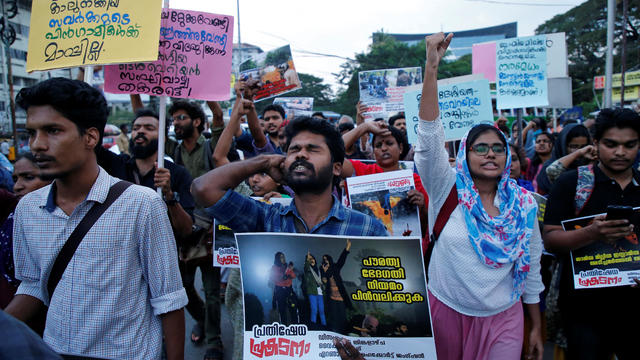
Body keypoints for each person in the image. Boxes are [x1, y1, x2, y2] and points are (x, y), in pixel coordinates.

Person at [5, 78, 187, 359]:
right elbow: (32, 286)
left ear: (90, 137)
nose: (37, 145)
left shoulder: (142, 204)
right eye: (32, 133)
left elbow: (169, 299)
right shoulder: (27, 209)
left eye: (53, 131)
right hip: (53, 351)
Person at [192, 116, 387, 359]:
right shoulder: (264, 218)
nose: (300, 155)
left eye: (313, 149)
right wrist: (264, 161)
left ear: (337, 167)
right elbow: (202, 189)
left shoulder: (369, 229)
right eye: (294, 150)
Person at [412, 33, 544, 360]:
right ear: (465, 155)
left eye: (498, 148)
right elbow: (429, 138)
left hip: (505, 319)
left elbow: (531, 270)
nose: (490, 154)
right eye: (480, 148)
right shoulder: (446, 187)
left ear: (508, 158)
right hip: (446, 312)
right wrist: (431, 67)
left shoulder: (525, 205)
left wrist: (536, 327)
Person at [543, 108, 640, 360]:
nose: (620, 152)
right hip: (584, 312)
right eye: (611, 144)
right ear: (596, 143)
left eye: (630, 145)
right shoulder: (571, 183)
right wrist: (591, 233)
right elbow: (551, 240)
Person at [341, 122, 429, 238]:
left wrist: (421, 207)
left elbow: (426, 226)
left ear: (401, 148)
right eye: (378, 145)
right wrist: (364, 127)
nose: (383, 148)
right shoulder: (362, 171)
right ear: (373, 152)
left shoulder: (414, 180)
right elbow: (332, 154)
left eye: (389, 143)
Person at [123, 108, 195, 240]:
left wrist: (169, 195)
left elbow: (186, 230)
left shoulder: (178, 174)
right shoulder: (118, 167)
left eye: (149, 128)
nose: (140, 131)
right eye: (136, 128)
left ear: (163, 138)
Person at [1, 154, 52, 308]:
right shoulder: (14, 215)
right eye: (15, 179)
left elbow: (34, 287)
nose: (17, 186)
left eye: (28, 178)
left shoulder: (57, 225)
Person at [536, 123, 595, 195]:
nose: (581, 151)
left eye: (583, 147)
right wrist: (577, 153)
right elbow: (553, 171)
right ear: (563, 145)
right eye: (574, 146)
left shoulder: (589, 165)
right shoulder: (550, 166)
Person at [321, 240, 352, 334]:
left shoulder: (336, 267)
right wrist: (325, 273)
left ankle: (344, 334)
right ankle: (334, 334)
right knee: (334, 318)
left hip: (340, 297)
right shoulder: (322, 269)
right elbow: (324, 280)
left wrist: (347, 247)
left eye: (326, 259)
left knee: (342, 317)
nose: (325, 261)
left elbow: (342, 259)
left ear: (329, 260)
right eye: (324, 260)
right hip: (332, 298)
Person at [270, 252, 298, 325]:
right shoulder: (274, 267)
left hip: (289, 290)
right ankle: (284, 326)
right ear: (278, 258)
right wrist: (283, 276)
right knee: (282, 309)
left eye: (284, 257)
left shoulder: (287, 266)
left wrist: (290, 271)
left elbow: (293, 276)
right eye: (281, 257)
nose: (283, 258)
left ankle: (295, 325)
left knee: (293, 307)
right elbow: (273, 278)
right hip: (280, 290)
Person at [303, 251, 326, 328]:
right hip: (312, 292)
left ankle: (324, 326)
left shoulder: (319, 269)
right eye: (310, 259)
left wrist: (324, 280)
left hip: (320, 292)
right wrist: (307, 260)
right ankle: (313, 327)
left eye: (312, 258)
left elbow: (323, 280)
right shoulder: (308, 270)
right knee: (314, 310)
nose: (312, 260)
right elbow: (306, 266)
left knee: (322, 311)